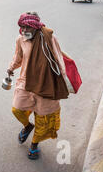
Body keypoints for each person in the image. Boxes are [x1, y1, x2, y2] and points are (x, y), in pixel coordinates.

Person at [7, 12, 69, 160]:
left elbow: (59, 59)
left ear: (35, 27)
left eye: (26, 27)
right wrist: (10, 68)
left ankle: (34, 145)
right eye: (21, 27)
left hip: (46, 84)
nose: (23, 31)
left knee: (43, 119)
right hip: (26, 82)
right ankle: (28, 126)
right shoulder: (20, 39)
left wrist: (61, 81)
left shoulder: (49, 38)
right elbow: (18, 57)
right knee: (17, 109)